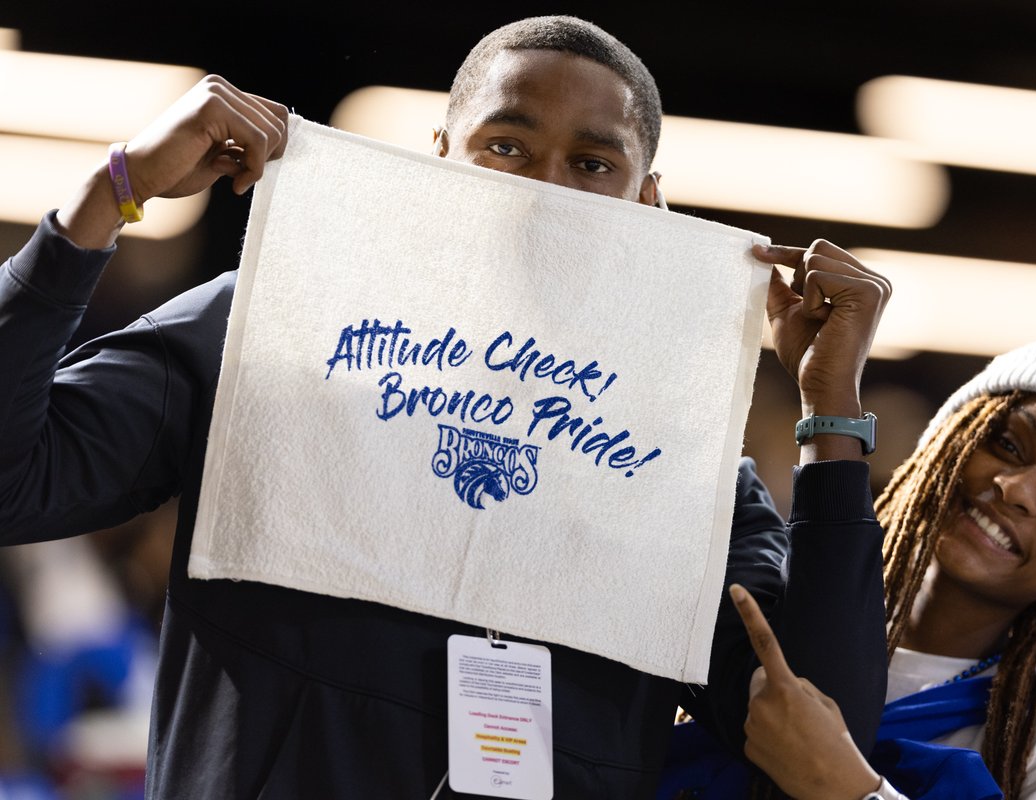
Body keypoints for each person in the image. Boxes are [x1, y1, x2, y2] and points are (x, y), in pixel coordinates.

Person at [0, 15, 892, 799]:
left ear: (648, 202)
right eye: (506, 145)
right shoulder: (266, 330)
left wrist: (832, 420)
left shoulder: (680, 475)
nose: (543, 188)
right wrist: (102, 202)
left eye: (592, 162)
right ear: (438, 158)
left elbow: (822, 739)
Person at [731, 338, 1036, 800]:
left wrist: (848, 788)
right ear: (945, 445)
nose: (1016, 489)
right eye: (1008, 445)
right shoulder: (774, 620)